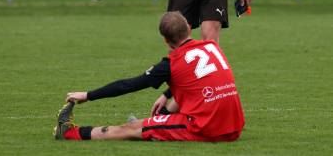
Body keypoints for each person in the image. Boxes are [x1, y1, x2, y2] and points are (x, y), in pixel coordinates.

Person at [54, 11, 245, 142]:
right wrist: (167, 93)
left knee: (132, 128)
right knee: (179, 96)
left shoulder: (170, 63)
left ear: (166, 41)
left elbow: (128, 85)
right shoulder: (211, 46)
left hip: (208, 129)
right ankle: (160, 122)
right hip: (234, 126)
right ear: (189, 28)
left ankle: (70, 133)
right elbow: (194, 78)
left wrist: (87, 95)